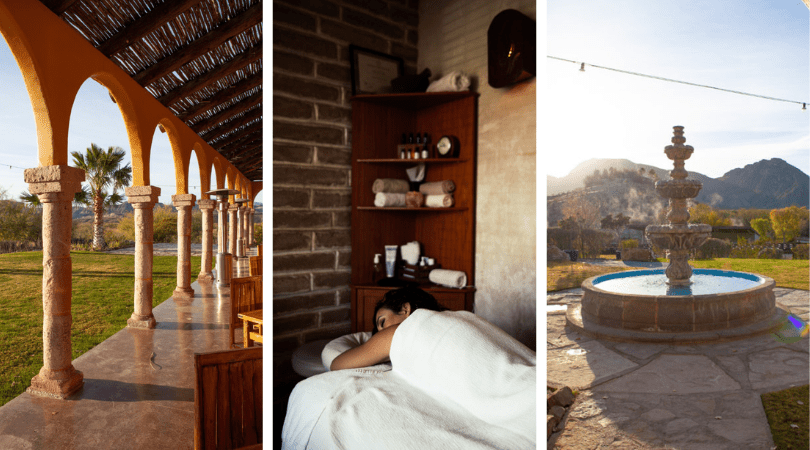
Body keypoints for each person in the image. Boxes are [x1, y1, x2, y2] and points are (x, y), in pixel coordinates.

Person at [329, 287, 447, 371]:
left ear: (404, 309)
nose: (382, 333)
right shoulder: (446, 319)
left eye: (382, 322)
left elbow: (336, 364)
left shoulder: (398, 333)